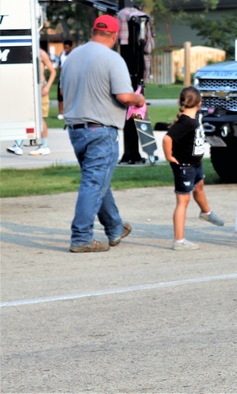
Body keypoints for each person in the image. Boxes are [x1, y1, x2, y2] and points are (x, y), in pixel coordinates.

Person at [62, 15, 145, 253]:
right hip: (101, 129)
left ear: (93, 30)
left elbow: (62, 91)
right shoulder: (112, 59)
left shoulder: (72, 57)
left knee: (99, 181)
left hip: (76, 129)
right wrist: (138, 98)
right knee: (94, 183)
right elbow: (123, 96)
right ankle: (81, 237)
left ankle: (115, 227)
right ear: (114, 35)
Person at [162, 87, 224, 251]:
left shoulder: (194, 118)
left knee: (200, 187)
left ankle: (206, 213)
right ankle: (179, 240)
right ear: (199, 103)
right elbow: (167, 138)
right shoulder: (185, 122)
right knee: (183, 201)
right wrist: (169, 156)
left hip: (195, 164)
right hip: (184, 166)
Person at [6, 48, 57, 156]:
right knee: (25, 116)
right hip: (30, 89)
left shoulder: (41, 53)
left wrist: (47, 87)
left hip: (40, 89)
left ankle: (44, 146)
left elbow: (53, 71)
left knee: (40, 119)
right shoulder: (25, 51)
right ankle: (18, 145)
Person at [57, 39, 74, 118]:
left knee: (72, 95)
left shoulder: (74, 55)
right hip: (62, 77)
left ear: (71, 47)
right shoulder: (62, 54)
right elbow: (59, 65)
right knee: (60, 96)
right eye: (64, 47)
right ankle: (61, 113)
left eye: (67, 47)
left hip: (71, 78)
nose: (65, 49)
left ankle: (71, 111)